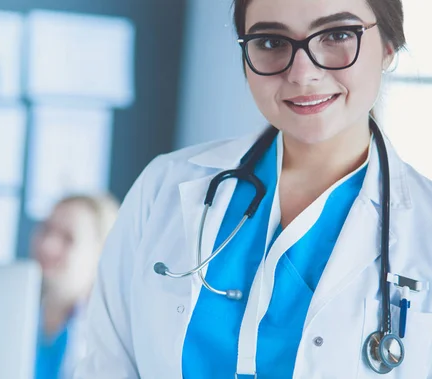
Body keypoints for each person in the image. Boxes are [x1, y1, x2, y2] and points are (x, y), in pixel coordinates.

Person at [75, 0, 432, 378]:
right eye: (271, 42)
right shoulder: (162, 186)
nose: (302, 73)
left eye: (337, 35)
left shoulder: (422, 229)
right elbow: (106, 365)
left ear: (389, 47)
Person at [30, 194, 120, 379]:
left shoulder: (113, 340)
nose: (48, 246)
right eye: (46, 230)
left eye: (68, 238)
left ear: (102, 252)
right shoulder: (11, 314)